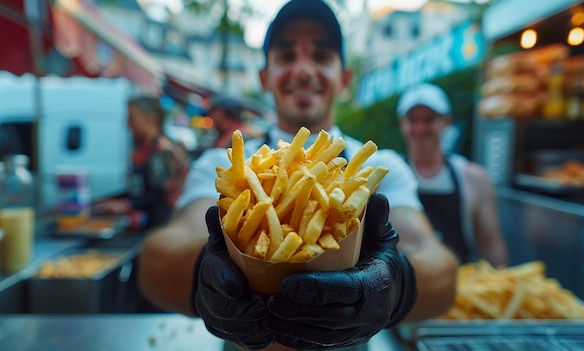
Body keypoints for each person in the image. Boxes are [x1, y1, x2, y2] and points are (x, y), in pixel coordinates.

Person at [138, 1, 458, 350]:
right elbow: (155, 262)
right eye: (287, 56)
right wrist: (203, 276)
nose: (303, 70)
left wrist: (396, 285)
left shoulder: (382, 168)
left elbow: (441, 270)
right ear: (265, 77)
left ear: (345, 79)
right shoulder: (226, 163)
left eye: (321, 57)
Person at [396, 83, 508, 266]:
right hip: (407, 291)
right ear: (402, 125)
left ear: (447, 122)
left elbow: (491, 247)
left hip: (462, 290)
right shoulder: (392, 175)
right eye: (412, 120)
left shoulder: (473, 178)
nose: (420, 128)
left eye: (429, 119)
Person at [94, 96, 189, 230]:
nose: (127, 124)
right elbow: (139, 188)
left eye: (132, 118)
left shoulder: (162, 150)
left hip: (163, 225)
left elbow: (159, 194)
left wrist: (124, 205)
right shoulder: (143, 150)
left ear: (152, 119)